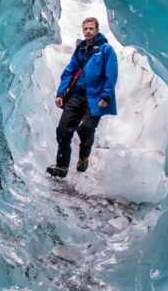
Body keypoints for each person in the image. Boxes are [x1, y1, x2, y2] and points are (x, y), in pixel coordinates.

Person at [47, 17, 118, 178]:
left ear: (97, 30)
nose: (88, 31)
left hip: (95, 98)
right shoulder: (80, 49)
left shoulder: (106, 50)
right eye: (85, 28)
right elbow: (70, 70)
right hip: (76, 95)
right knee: (63, 130)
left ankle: (84, 157)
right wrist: (61, 92)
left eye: (91, 28)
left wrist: (106, 95)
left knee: (86, 128)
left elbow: (111, 74)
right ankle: (62, 166)